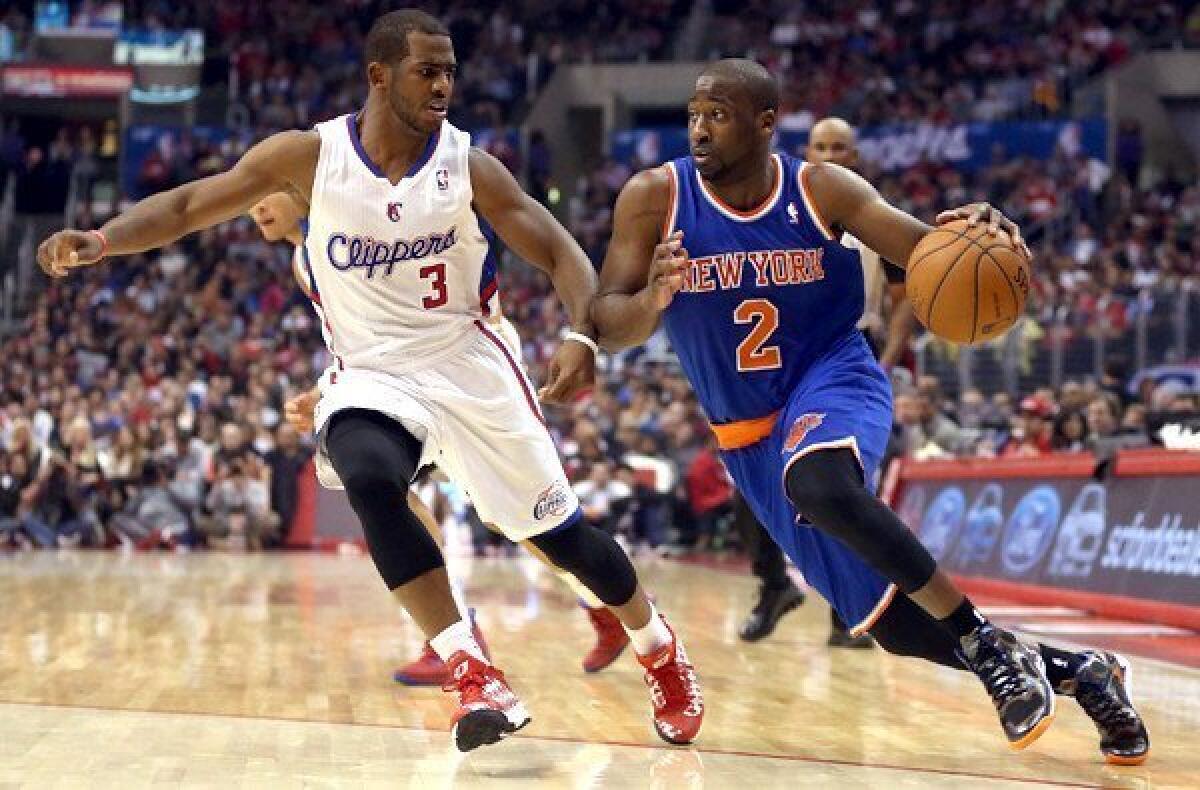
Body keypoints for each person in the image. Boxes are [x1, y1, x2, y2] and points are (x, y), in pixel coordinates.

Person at [38, 10, 703, 753]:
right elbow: (192, 205)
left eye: (450, 70)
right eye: (428, 69)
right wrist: (101, 240)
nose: (444, 84)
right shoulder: (307, 156)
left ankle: (658, 647)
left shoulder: (468, 164)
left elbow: (555, 248)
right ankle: (470, 667)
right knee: (366, 468)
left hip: (468, 362)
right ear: (379, 74)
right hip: (373, 373)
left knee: (562, 538)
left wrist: (582, 334)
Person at [592, 59, 1147, 764]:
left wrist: (985, 231)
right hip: (746, 437)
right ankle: (1084, 672)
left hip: (834, 376)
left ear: (765, 124)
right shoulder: (653, 197)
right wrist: (651, 299)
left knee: (819, 481)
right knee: (894, 625)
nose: (700, 129)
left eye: (720, 115)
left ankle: (986, 641)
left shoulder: (821, 188)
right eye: (695, 114)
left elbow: (930, 253)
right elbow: (607, 318)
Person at [252, 188, 631, 682]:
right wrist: (324, 388)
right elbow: (370, 339)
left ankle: (606, 602)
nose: (256, 205)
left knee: (513, 521)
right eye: (250, 198)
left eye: (268, 191)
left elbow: (406, 323)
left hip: (463, 365)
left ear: (300, 188)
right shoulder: (307, 254)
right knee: (389, 490)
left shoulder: (345, 223)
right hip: (410, 375)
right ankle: (458, 633)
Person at [736, 116, 916, 648]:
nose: (833, 154)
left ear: (855, 155)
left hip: (848, 358)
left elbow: (907, 297)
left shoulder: (872, 213)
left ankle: (849, 612)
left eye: (842, 146)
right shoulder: (783, 207)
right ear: (807, 151)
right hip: (783, 362)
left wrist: (887, 355)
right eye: (823, 146)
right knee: (750, 490)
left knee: (841, 489)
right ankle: (773, 586)